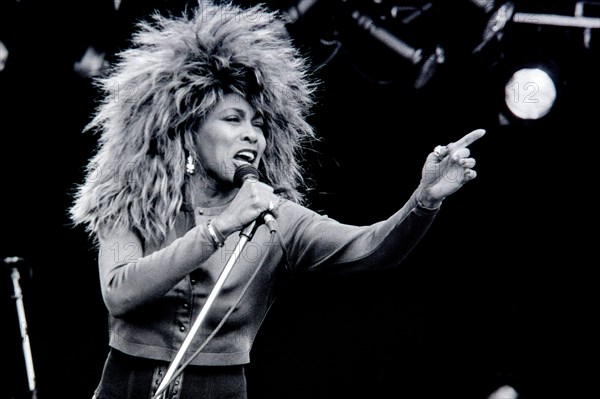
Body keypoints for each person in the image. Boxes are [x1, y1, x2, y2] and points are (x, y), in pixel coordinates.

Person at [69, 1, 486, 398]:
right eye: (233, 119)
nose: (253, 133)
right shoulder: (129, 199)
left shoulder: (274, 217)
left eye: (259, 123)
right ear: (187, 131)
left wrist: (424, 200)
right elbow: (119, 293)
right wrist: (218, 229)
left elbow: (372, 247)